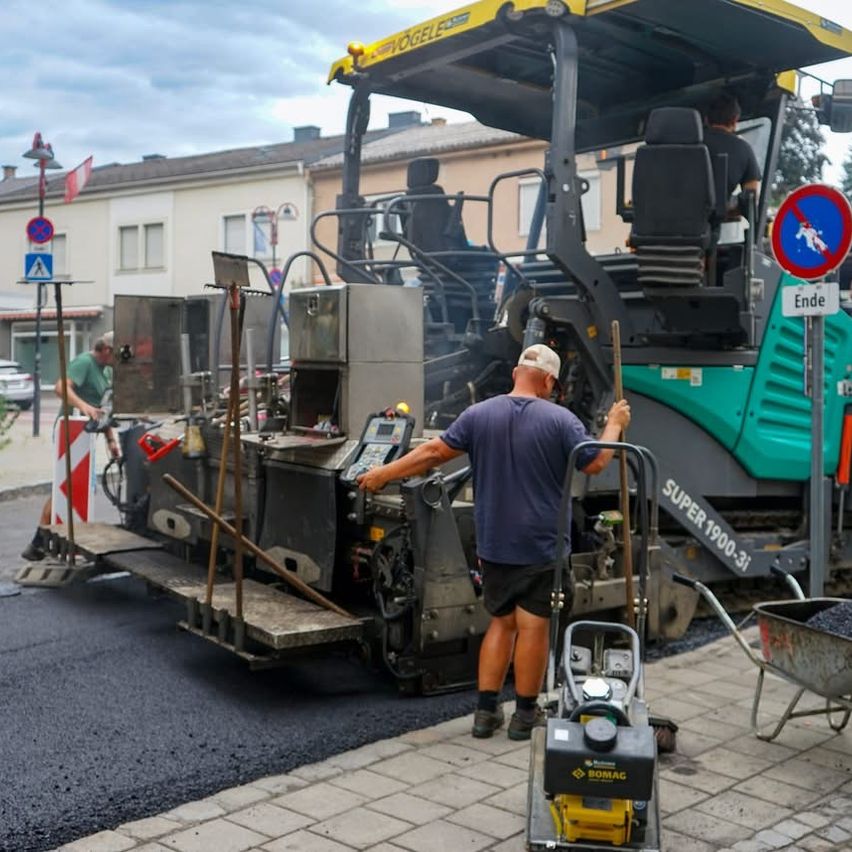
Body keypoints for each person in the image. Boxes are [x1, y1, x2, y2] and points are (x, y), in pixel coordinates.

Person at [358, 344, 630, 740]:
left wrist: (383, 473)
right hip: (540, 545)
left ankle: (485, 715)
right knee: (532, 627)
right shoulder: (561, 420)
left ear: (517, 372)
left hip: (494, 544)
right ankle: (523, 717)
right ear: (550, 381)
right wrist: (615, 423)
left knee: (500, 625)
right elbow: (597, 461)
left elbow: (433, 452)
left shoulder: (478, 414)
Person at [21, 331, 120, 561]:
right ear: (106, 350)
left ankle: (42, 542)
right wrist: (84, 407)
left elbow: (100, 410)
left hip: (86, 438)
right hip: (71, 434)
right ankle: (39, 541)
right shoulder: (85, 363)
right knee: (65, 487)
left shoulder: (105, 371)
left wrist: (111, 440)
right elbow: (60, 387)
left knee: (69, 488)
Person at [703, 92, 761, 205]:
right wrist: (729, 210)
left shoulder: (686, 141)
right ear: (735, 120)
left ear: (706, 119)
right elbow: (751, 197)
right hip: (709, 221)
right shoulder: (744, 149)